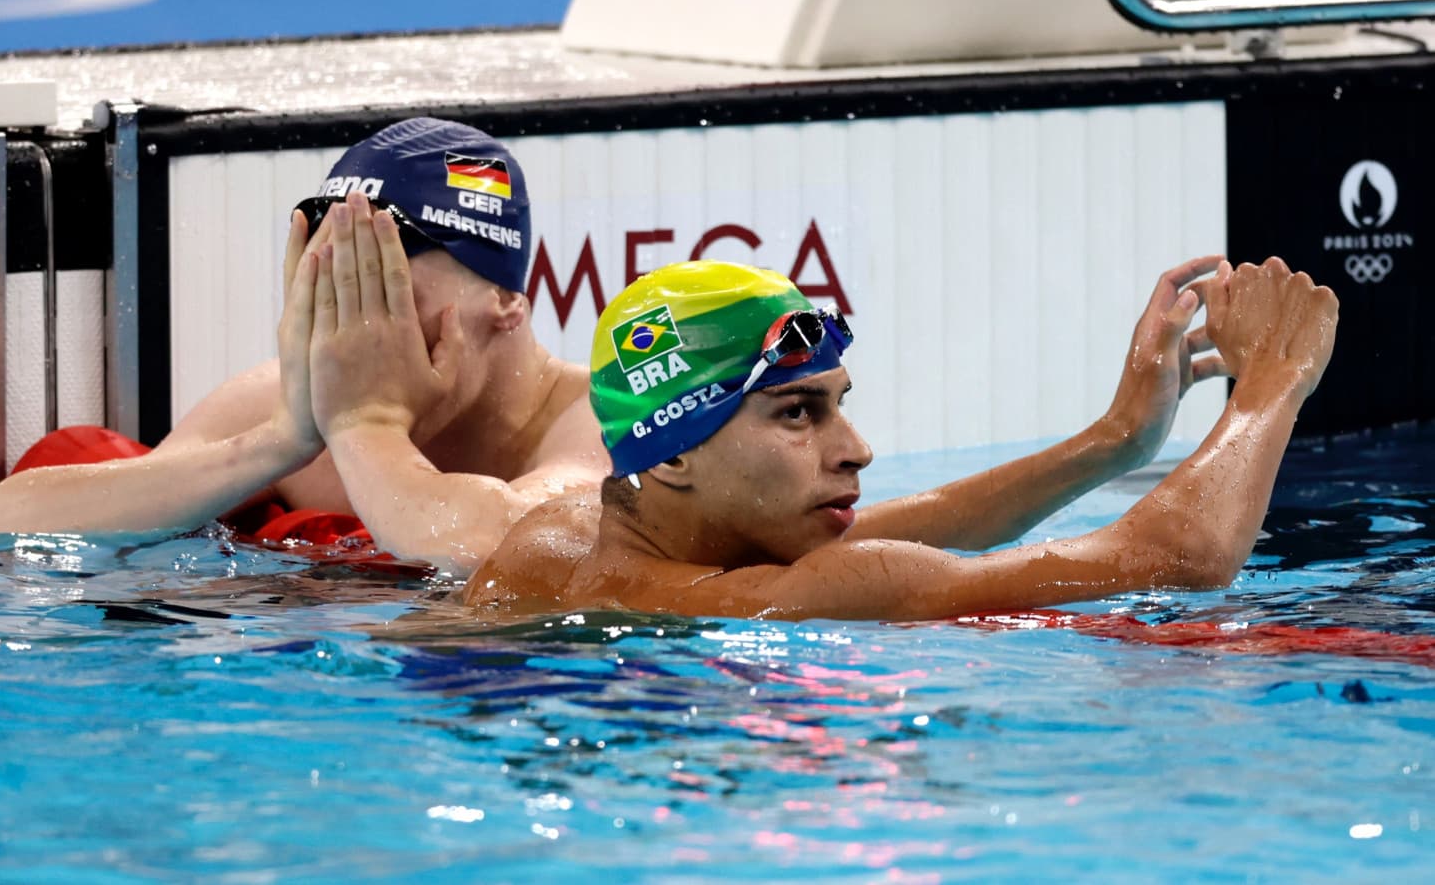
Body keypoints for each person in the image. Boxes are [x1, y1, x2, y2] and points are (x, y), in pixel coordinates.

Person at [465, 256, 1338, 620]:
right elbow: (1181, 555)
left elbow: (900, 529)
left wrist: (1112, 440)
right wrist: (1270, 384)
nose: (857, 448)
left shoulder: (548, 544)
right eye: (799, 412)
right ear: (677, 451)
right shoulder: (797, 598)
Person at [0, 118, 611, 571]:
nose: (359, 334)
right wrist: (280, 440)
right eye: (335, 292)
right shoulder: (286, 403)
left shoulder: (599, 422)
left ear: (506, 301)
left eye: (385, 295)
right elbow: (1, 526)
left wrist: (367, 429)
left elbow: (505, 544)